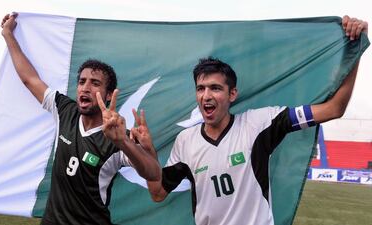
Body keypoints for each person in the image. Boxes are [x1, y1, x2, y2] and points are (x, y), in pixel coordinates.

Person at [130, 16, 368, 225]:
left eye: (215, 88)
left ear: (232, 94)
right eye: (200, 88)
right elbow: (158, 193)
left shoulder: (261, 122)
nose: (206, 95)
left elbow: (333, 109)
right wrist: (148, 151)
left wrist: (354, 51)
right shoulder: (185, 141)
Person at [1, 13, 161, 225]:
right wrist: (8, 35)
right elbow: (30, 79)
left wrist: (123, 142)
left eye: (95, 83)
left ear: (108, 94)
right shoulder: (64, 110)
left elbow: (154, 173)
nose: (85, 87)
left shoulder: (117, 135)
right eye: (82, 81)